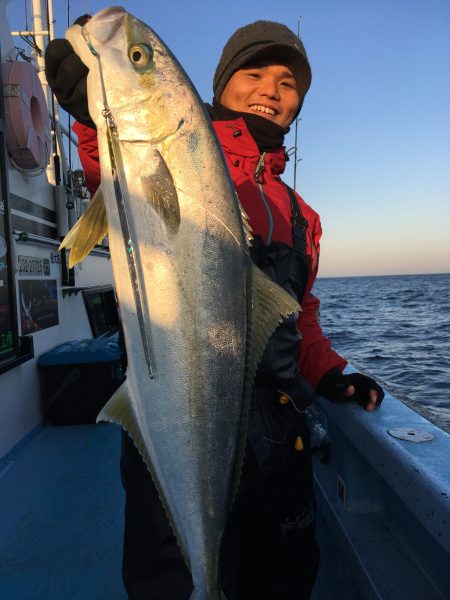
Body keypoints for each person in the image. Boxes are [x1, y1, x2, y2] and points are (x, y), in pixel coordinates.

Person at [45, 17, 384, 600]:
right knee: (175, 580)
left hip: (278, 439)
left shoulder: (303, 216)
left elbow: (297, 315)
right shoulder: (188, 151)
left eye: (287, 82)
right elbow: (121, 164)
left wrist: (331, 373)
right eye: (253, 73)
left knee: (281, 578)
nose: (270, 91)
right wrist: (91, 111)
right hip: (172, 412)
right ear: (221, 84)